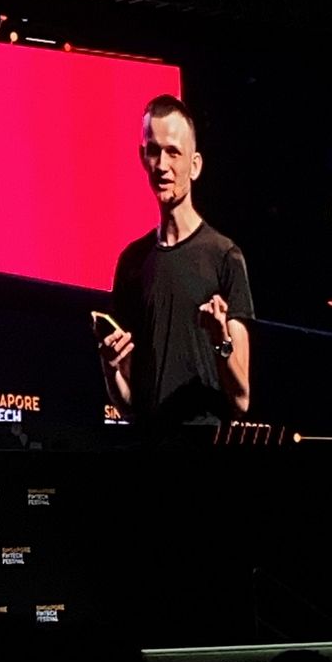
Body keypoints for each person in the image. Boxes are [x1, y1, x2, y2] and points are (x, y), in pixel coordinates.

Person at [100, 94, 253, 427]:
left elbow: (241, 399)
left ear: (194, 165)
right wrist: (111, 370)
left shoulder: (225, 257)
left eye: (173, 152)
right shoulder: (131, 264)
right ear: (142, 157)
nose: (162, 165)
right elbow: (130, 408)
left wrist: (220, 340)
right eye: (153, 151)